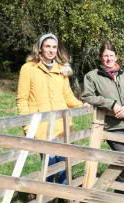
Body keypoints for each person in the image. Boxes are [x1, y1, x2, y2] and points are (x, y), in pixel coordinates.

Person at [16, 33, 87, 185]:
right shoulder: (28, 68)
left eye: (54, 47)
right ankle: (47, 199)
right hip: (41, 126)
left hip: (61, 125)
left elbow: (67, 95)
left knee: (63, 162)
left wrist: (81, 105)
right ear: (40, 48)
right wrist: (27, 126)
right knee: (49, 163)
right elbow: (22, 99)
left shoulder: (61, 70)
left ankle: (63, 199)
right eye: (47, 46)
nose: (51, 50)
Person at [83, 42, 124, 187]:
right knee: (123, 158)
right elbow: (87, 96)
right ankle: (122, 193)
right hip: (112, 125)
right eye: (105, 56)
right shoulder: (92, 76)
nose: (108, 59)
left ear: (116, 57)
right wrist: (111, 104)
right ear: (100, 57)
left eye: (111, 56)